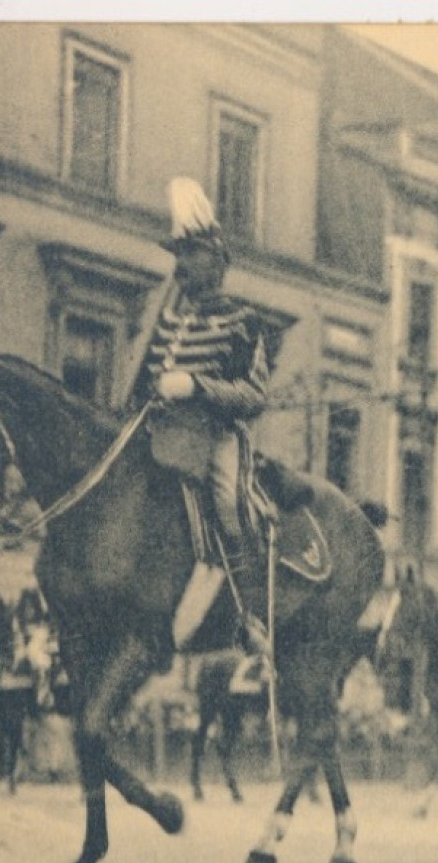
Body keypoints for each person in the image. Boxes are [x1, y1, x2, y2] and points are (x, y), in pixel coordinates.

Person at [129, 178, 272, 651]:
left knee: (230, 504)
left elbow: (253, 395)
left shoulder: (242, 322)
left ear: (214, 261)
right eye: (178, 256)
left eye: (189, 255)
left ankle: (249, 614)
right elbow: (142, 383)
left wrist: (195, 386)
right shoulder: (167, 318)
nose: (181, 266)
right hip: (160, 431)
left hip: (215, 437)